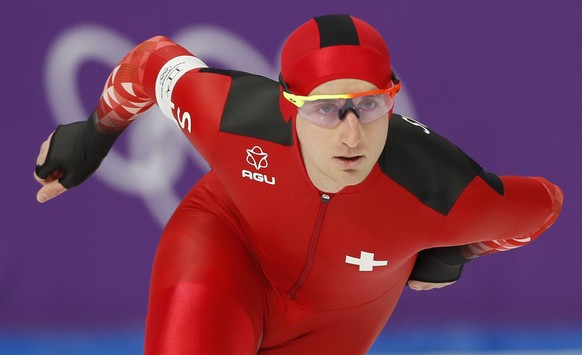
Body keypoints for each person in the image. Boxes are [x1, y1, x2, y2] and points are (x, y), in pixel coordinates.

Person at [34, 14, 563, 355]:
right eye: (327, 111)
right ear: (290, 107)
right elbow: (152, 62)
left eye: (370, 106)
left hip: (339, 320)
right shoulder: (236, 118)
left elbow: (543, 206)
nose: (352, 133)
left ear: (392, 100)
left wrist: (459, 250)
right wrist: (95, 133)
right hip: (226, 248)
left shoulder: (439, 186)